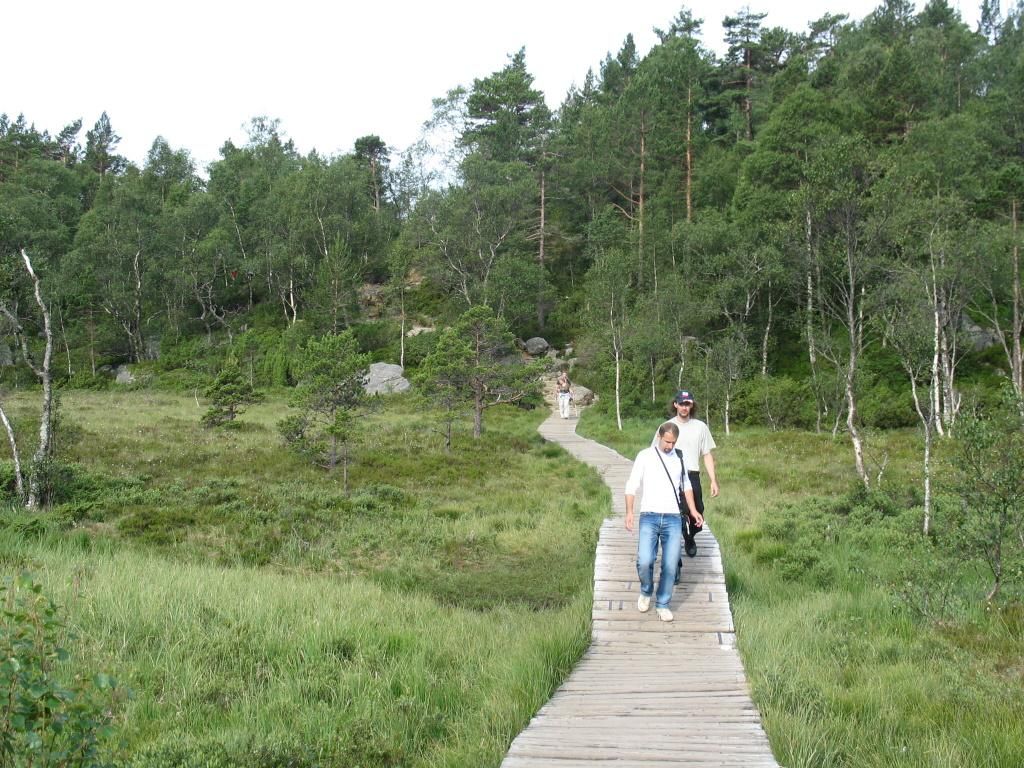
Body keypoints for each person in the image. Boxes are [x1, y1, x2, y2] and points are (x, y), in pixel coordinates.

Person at [625, 421, 703, 622]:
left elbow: (686, 485)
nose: (669, 446)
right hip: (649, 516)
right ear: (659, 436)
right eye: (667, 441)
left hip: (673, 518)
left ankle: (662, 603)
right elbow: (632, 484)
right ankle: (646, 590)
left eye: (673, 442)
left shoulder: (679, 458)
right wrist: (629, 512)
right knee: (645, 561)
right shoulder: (644, 456)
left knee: (670, 564)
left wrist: (693, 510)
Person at [651, 389, 719, 561]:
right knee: (675, 513)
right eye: (681, 403)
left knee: (697, 512)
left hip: (692, 475)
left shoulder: (700, 427)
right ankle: (675, 551)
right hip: (672, 477)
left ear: (692, 405)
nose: (684, 407)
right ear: (675, 404)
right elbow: (655, 453)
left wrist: (713, 480)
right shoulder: (666, 427)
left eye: (687, 404)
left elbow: (707, 454)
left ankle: (690, 538)